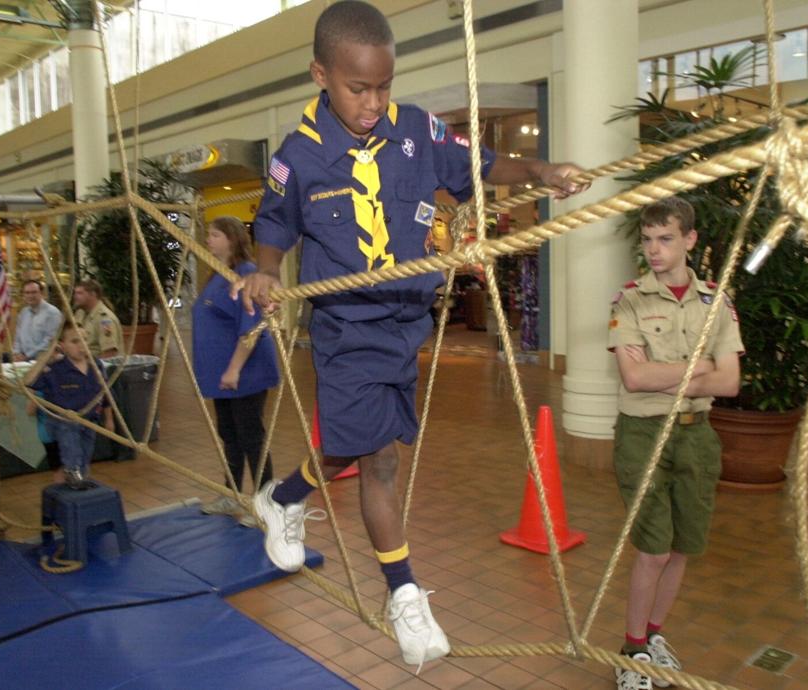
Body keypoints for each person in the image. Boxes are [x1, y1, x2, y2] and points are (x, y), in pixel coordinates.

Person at [233, 0, 589, 668]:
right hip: (345, 326)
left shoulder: (418, 132)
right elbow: (274, 228)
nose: (372, 102)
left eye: (383, 85)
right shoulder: (300, 156)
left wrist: (541, 173)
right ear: (321, 75)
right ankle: (403, 595)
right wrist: (265, 272)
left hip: (406, 323)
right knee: (380, 462)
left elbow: (480, 167)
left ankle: (280, 497)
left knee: (350, 449)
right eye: (357, 88)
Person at [608, 197, 743, 690]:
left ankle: (656, 636)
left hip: (697, 436)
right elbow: (635, 378)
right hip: (643, 434)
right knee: (653, 550)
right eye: (647, 240)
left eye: (665, 238)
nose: (654, 249)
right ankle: (632, 650)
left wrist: (676, 377)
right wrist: (702, 367)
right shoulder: (630, 300)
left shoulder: (716, 303)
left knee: (684, 545)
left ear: (689, 239)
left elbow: (730, 383)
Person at [192, 217, 279, 522]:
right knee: (229, 434)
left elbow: (251, 328)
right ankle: (232, 494)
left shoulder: (246, 275)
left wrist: (233, 369)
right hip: (224, 375)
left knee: (251, 436)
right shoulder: (218, 274)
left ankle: (268, 505)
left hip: (245, 372)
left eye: (214, 234)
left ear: (231, 238)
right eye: (208, 233)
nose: (208, 239)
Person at [27, 321, 115, 489]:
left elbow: (105, 394)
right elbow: (28, 382)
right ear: (62, 345)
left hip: (89, 420)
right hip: (61, 422)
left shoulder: (95, 365)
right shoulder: (54, 369)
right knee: (70, 430)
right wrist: (46, 356)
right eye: (75, 341)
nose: (81, 345)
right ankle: (72, 472)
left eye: (84, 339)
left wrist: (109, 418)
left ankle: (79, 474)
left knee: (86, 451)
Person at [72, 279, 124, 359]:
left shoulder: (105, 319)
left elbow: (109, 353)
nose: (75, 296)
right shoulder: (80, 313)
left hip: (96, 367)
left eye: (80, 293)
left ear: (93, 294)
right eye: (75, 293)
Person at [13, 279, 63, 361]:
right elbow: (18, 337)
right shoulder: (23, 312)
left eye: (34, 292)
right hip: (22, 360)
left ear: (42, 293)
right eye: (27, 293)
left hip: (43, 361)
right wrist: (16, 353)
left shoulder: (52, 313)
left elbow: (49, 341)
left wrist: (27, 356)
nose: (30, 296)